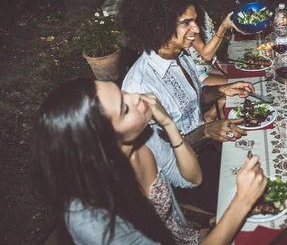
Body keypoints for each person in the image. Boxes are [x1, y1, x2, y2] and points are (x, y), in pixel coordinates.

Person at [31, 78, 267, 245]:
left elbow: (192, 178)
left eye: (121, 91)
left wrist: (167, 123)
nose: (135, 96)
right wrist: (242, 202)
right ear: (104, 144)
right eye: (124, 108)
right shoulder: (91, 220)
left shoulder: (143, 137)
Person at [120, 0, 254, 212]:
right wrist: (206, 132)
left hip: (207, 151)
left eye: (195, 21)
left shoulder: (180, 55)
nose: (197, 29)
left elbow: (195, 97)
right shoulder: (139, 86)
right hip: (183, 180)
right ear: (159, 25)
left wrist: (224, 90)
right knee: (249, 203)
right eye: (186, 23)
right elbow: (162, 160)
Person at [171, 0, 230, 86]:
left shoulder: (197, 6)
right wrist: (223, 27)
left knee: (244, 76)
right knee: (236, 85)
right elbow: (205, 54)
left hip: (206, 68)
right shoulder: (184, 13)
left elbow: (208, 54)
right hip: (194, 75)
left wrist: (216, 62)